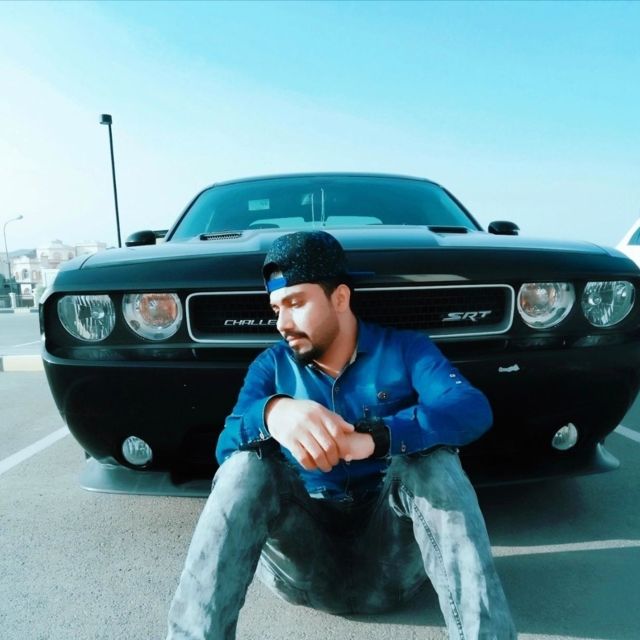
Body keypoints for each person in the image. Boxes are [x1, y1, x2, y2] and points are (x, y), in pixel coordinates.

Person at [166, 230, 516, 640]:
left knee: (434, 460)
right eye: (276, 308)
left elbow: (470, 408)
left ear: (340, 298)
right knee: (244, 467)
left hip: (392, 562)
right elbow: (225, 446)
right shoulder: (271, 366)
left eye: (296, 303)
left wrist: (379, 437)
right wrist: (273, 413)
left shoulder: (407, 349)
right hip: (302, 566)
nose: (282, 323)